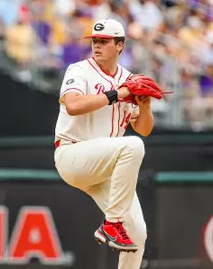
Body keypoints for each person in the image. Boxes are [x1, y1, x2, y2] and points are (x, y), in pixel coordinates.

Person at [54, 18, 154, 269]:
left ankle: (116, 224)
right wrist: (117, 94)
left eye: (104, 41)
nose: (96, 45)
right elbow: (74, 105)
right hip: (73, 154)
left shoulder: (128, 78)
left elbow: (144, 129)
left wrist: (145, 107)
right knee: (132, 147)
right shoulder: (79, 70)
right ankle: (112, 223)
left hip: (106, 167)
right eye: (94, 41)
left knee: (137, 235)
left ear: (119, 45)